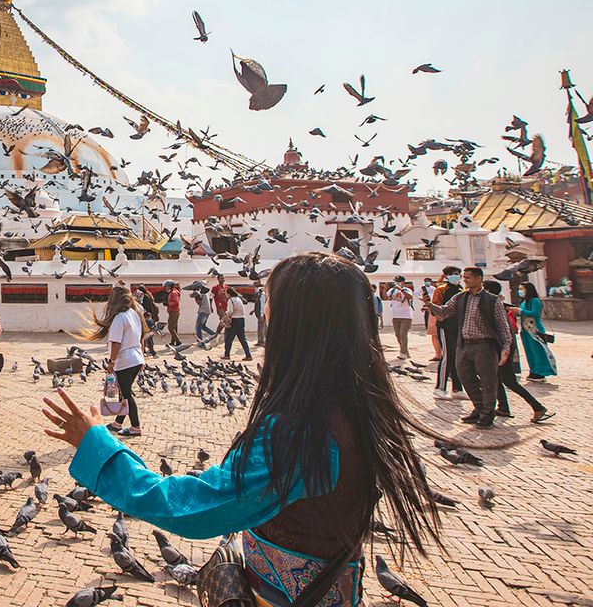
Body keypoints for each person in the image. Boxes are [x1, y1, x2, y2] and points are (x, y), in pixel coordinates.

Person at [42, 251, 442, 607]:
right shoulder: (354, 406)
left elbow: (194, 509)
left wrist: (97, 445)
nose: (262, 310)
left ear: (297, 323)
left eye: (269, 302)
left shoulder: (300, 434)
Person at [428, 267, 513, 429]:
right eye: (463, 277)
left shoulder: (492, 300)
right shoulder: (460, 298)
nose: (464, 280)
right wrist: (428, 304)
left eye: (468, 277)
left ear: (479, 279)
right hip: (464, 343)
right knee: (465, 376)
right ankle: (479, 407)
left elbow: (503, 327)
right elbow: (445, 312)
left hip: (485, 345)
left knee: (488, 380)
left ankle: (488, 412)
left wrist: (506, 347)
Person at [71, 284, 145, 437]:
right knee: (125, 392)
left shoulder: (119, 318)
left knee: (126, 395)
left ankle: (135, 427)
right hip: (136, 358)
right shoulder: (135, 313)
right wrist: (142, 357)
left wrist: (112, 362)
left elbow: (116, 342)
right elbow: (141, 337)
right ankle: (118, 423)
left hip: (124, 360)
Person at [487, 281, 553, 423]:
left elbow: (506, 330)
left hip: (510, 344)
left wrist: (520, 311)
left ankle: (537, 406)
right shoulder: (497, 305)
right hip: (510, 340)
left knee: (509, 380)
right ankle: (503, 406)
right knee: (497, 378)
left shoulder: (497, 306)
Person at [431, 267, 464, 399]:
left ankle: (457, 388)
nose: (455, 276)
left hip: (458, 327)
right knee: (447, 356)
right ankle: (440, 387)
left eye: (457, 274)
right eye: (452, 274)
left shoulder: (462, 290)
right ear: (446, 276)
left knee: (457, 358)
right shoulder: (441, 290)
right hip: (445, 326)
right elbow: (434, 307)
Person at [515, 282, 556, 380]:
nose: (520, 291)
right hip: (525, 330)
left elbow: (535, 313)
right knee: (529, 352)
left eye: (522, 289)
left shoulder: (535, 301)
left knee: (538, 351)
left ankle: (541, 372)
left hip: (535, 330)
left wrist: (520, 311)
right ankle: (533, 371)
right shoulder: (524, 302)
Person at [387, 276, 415, 360]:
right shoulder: (392, 291)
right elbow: (385, 297)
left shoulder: (407, 290)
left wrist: (401, 289)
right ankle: (405, 351)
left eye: (398, 281)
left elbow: (410, 297)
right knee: (398, 335)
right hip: (395, 316)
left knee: (403, 334)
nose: (396, 282)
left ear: (403, 282)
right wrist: (386, 287)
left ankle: (402, 353)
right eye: (395, 281)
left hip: (406, 316)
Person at [221, 287, 251, 360]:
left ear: (229, 294)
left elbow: (230, 311)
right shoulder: (239, 299)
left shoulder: (230, 300)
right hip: (241, 319)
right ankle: (248, 355)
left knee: (228, 338)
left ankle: (227, 355)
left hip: (234, 320)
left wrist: (226, 315)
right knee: (243, 339)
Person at [135, 285, 160, 357]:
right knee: (147, 336)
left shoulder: (144, 300)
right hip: (149, 318)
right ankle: (145, 351)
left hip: (146, 320)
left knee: (147, 336)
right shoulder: (148, 296)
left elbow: (145, 310)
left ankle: (152, 352)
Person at [164, 280, 181, 347]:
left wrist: (168, 304)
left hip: (174, 312)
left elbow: (176, 302)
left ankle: (178, 341)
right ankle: (173, 342)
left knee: (170, 327)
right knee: (174, 327)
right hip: (173, 311)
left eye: (167, 287)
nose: (166, 288)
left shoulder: (173, 293)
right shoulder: (173, 292)